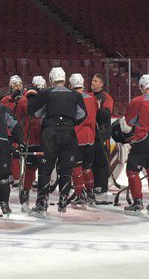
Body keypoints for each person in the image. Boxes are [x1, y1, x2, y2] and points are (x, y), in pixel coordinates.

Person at [27, 66, 85, 216]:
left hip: (50, 133)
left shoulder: (46, 93)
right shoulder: (75, 94)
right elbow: (82, 115)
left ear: (51, 79)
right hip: (69, 133)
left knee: (45, 168)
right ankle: (63, 202)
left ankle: (42, 203)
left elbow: (33, 112)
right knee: (66, 169)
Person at [119, 73, 149, 216]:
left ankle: (138, 202)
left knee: (132, 171)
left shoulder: (138, 101)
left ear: (141, 86)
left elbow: (130, 121)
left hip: (142, 140)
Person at [16, 75, 46, 211]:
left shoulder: (44, 99)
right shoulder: (24, 100)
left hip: (41, 139)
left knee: (36, 170)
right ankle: (28, 193)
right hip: (34, 139)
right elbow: (18, 120)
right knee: (32, 169)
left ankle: (36, 196)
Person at [69, 73, 98, 207]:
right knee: (87, 167)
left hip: (77, 135)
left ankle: (80, 194)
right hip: (90, 136)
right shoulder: (92, 97)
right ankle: (91, 193)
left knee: (76, 167)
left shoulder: (72, 97)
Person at [89, 74, 114, 199]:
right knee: (92, 160)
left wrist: (97, 108)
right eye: (92, 80)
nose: (92, 82)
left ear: (101, 84)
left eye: (95, 80)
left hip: (103, 133)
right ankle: (93, 185)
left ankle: (102, 187)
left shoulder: (106, 97)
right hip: (92, 133)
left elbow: (107, 114)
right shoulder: (89, 96)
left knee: (102, 161)